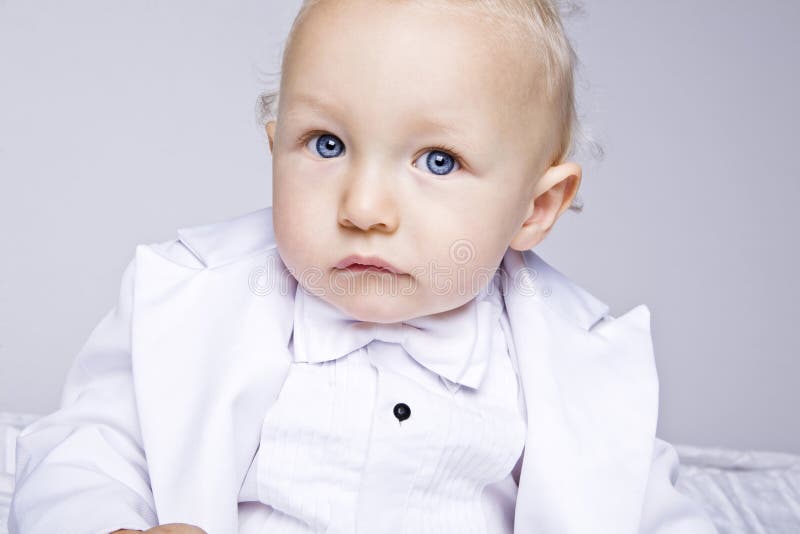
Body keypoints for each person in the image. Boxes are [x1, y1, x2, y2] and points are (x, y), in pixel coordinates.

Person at [8, 0, 719, 532]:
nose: (365, 206)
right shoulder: (194, 303)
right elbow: (85, 451)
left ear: (536, 208)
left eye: (438, 161)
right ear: (273, 143)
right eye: (325, 144)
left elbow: (649, 509)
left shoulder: (574, 369)